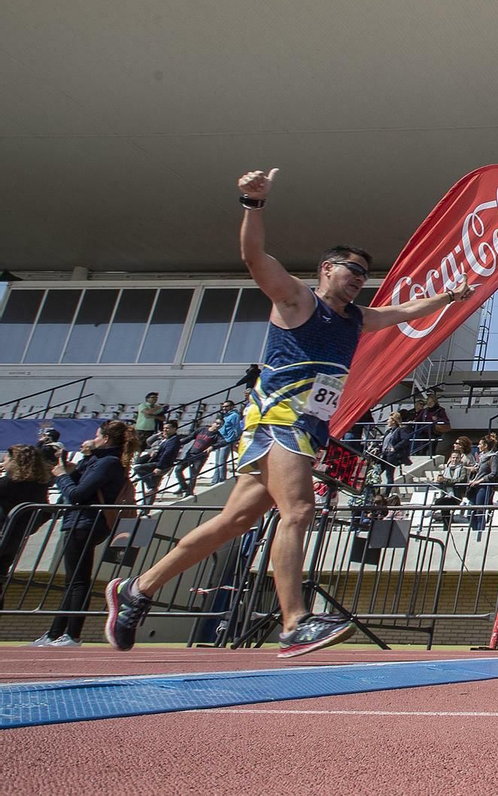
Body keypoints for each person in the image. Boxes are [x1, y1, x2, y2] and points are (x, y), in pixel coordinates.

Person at [103, 167, 475, 659]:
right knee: (298, 509)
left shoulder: (357, 320)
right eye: (351, 270)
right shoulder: (297, 299)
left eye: (366, 274)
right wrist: (252, 205)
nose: (360, 280)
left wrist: (451, 297)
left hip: (307, 427)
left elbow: (407, 311)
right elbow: (254, 257)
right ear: (327, 270)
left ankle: (138, 589)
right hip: (280, 421)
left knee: (234, 520)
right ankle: (294, 621)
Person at [36, 422, 135, 647]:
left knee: (78, 581)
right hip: (81, 522)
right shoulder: (101, 460)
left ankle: (71, 635)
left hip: (85, 523)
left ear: (107, 439)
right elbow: (77, 482)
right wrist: (67, 466)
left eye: (97, 435)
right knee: (74, 581)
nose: (94, 438)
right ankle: (55, 634)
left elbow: (77, 494)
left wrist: (62, 475)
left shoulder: (108, 462)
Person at [0, 444, 54, 607]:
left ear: (15, 461)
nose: (3, 462)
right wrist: (27, 529)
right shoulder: (39, 486)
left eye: (6, 459)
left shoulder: (7, 484)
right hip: (14, 539)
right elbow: (46, 512)